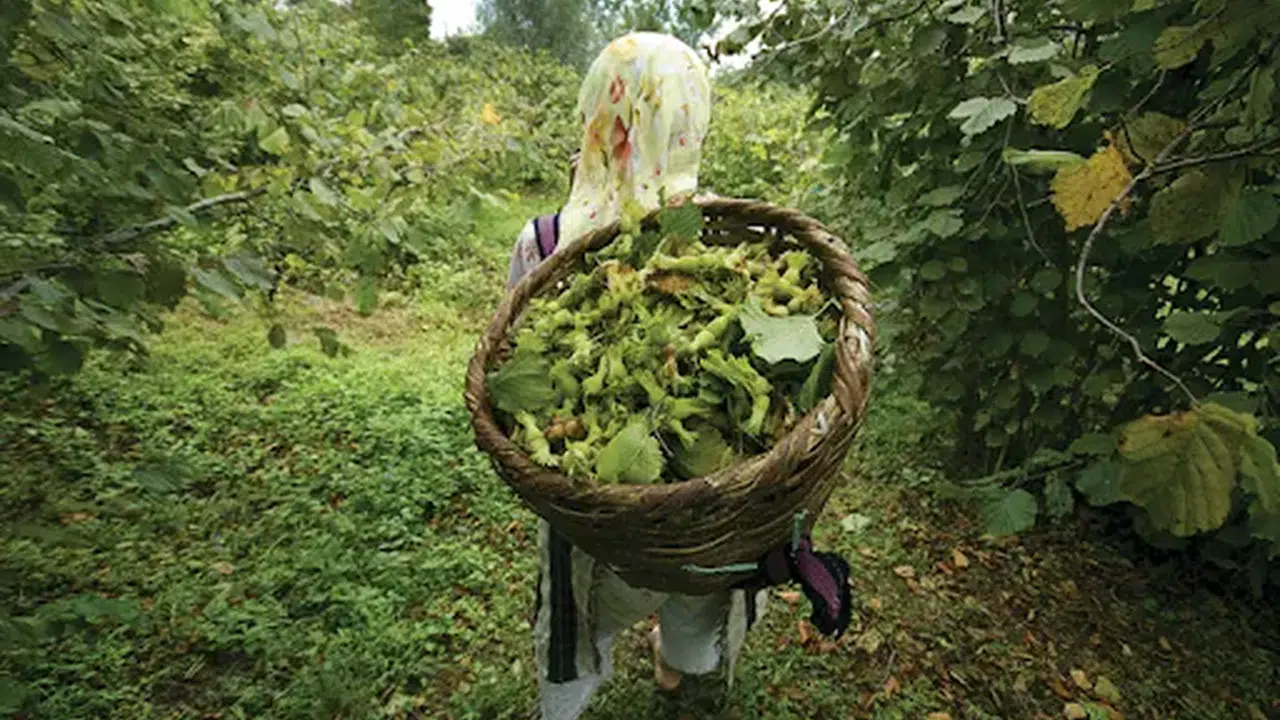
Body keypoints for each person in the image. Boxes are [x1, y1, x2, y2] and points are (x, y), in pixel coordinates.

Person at [504, 33, 770, 720]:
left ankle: (602, 688)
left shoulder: (544, 239)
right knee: (692, 596)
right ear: (691, 122)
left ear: (595, 115)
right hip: (703, 502)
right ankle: (676, 665)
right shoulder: (717, 228)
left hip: (593, 506)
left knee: (582, 610)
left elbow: (510, 356)